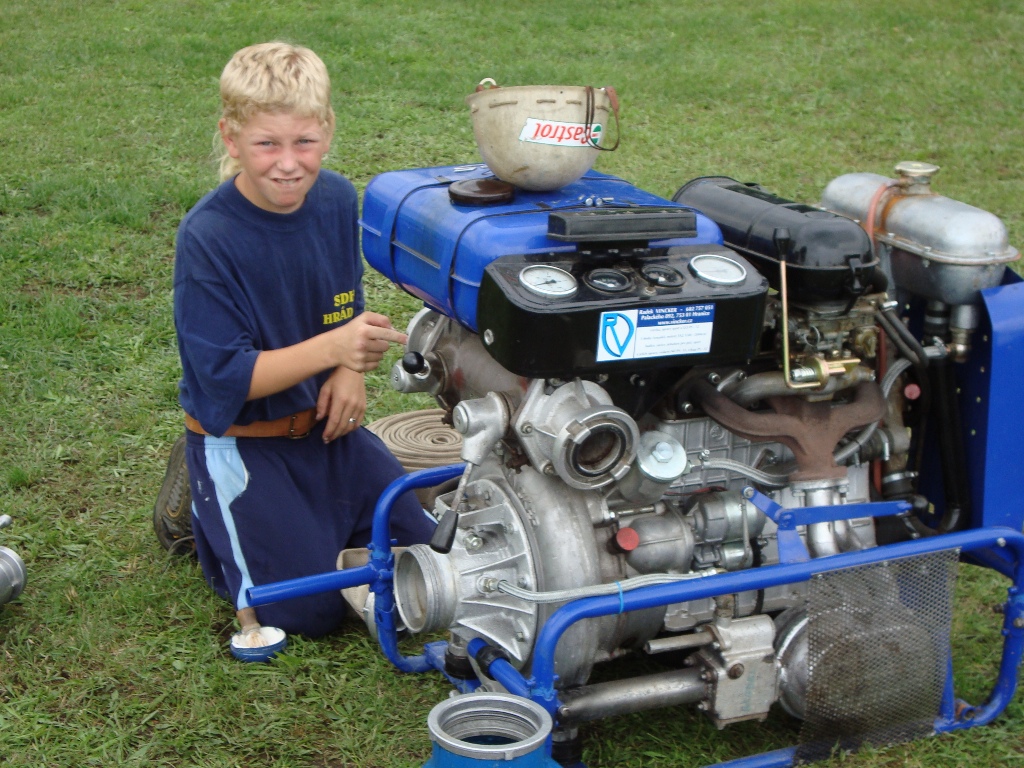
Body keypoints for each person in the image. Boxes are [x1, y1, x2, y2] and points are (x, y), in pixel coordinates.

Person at [173, 41, 435, 660]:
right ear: (231, 138)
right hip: (247, 437)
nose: (288, 164)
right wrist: (335, 348)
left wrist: (349, 369)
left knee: (430, 554)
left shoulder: (339, 200)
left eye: (305, 142)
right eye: (267, 144)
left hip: (326, 429)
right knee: (308, 612)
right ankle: (205, 508)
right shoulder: (208, 236)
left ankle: (313, 519)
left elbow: (345, 302)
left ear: (328, 132)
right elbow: (224, 376)